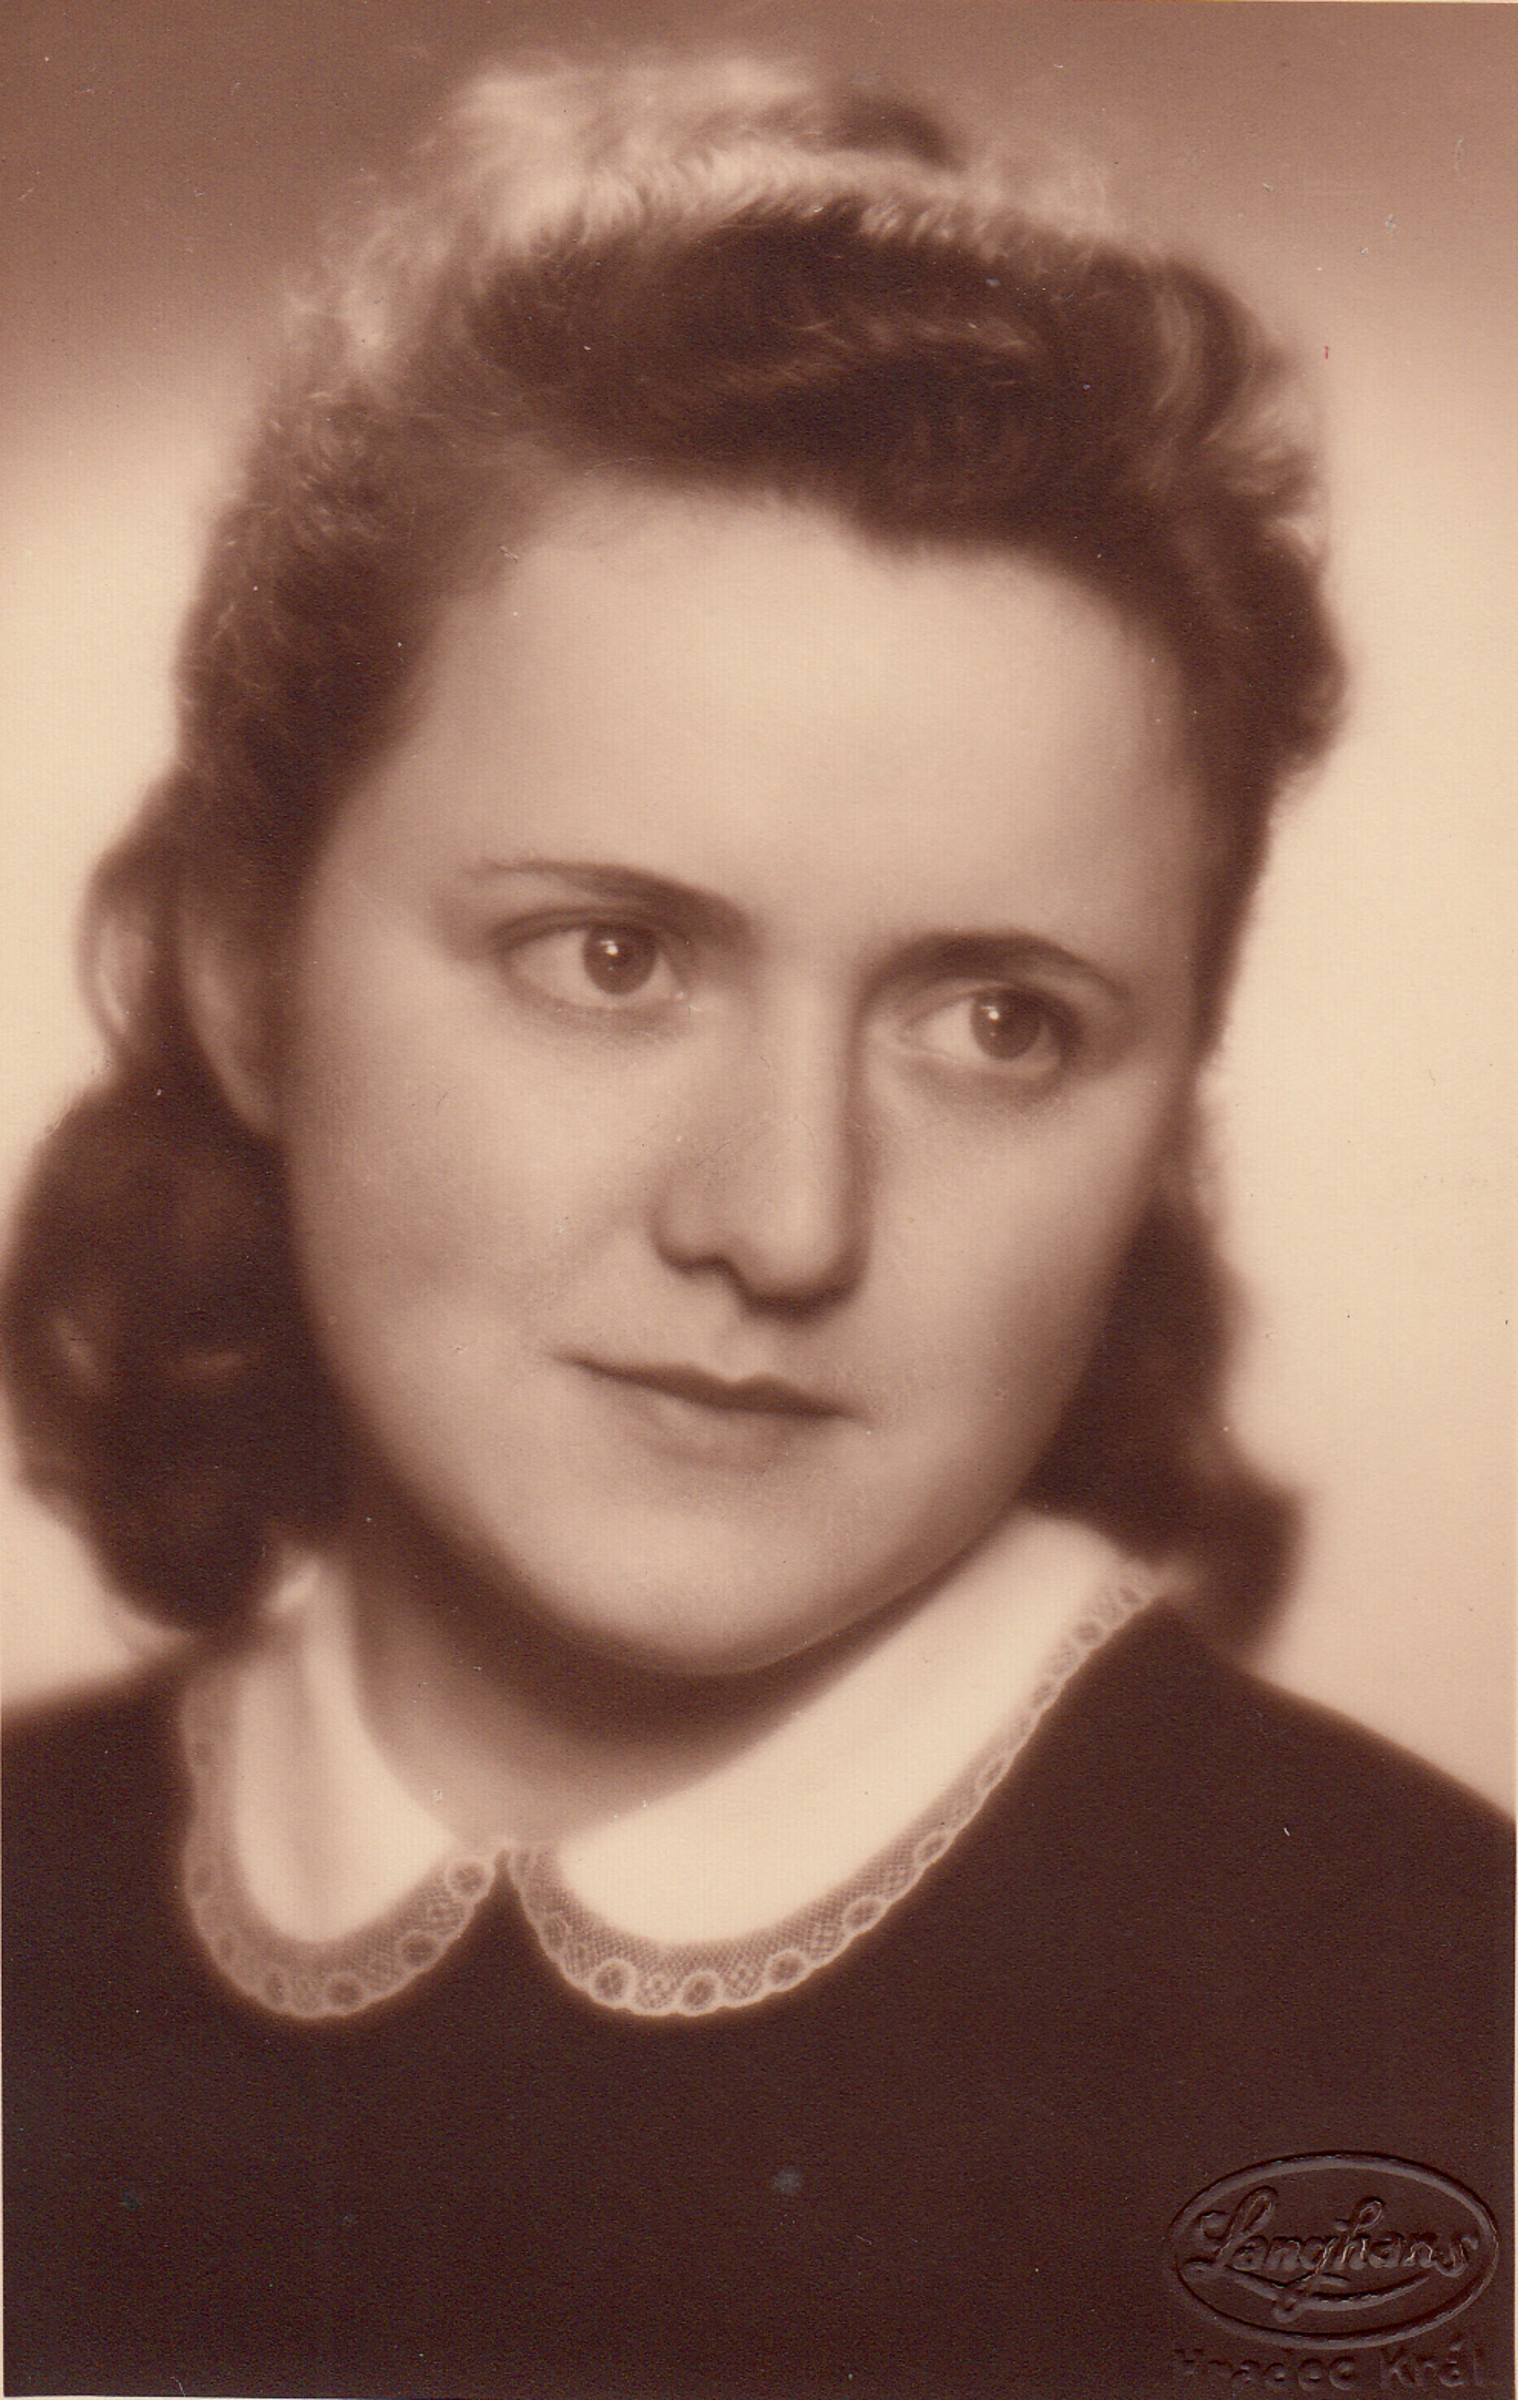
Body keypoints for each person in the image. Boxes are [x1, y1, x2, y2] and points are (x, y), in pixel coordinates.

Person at [2, 50, 1507, 2400]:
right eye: (612, 957)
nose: (785, 1224)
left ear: (1173, 1098)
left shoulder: (1425, 2013)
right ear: (245, 976)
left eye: (998, 1023)